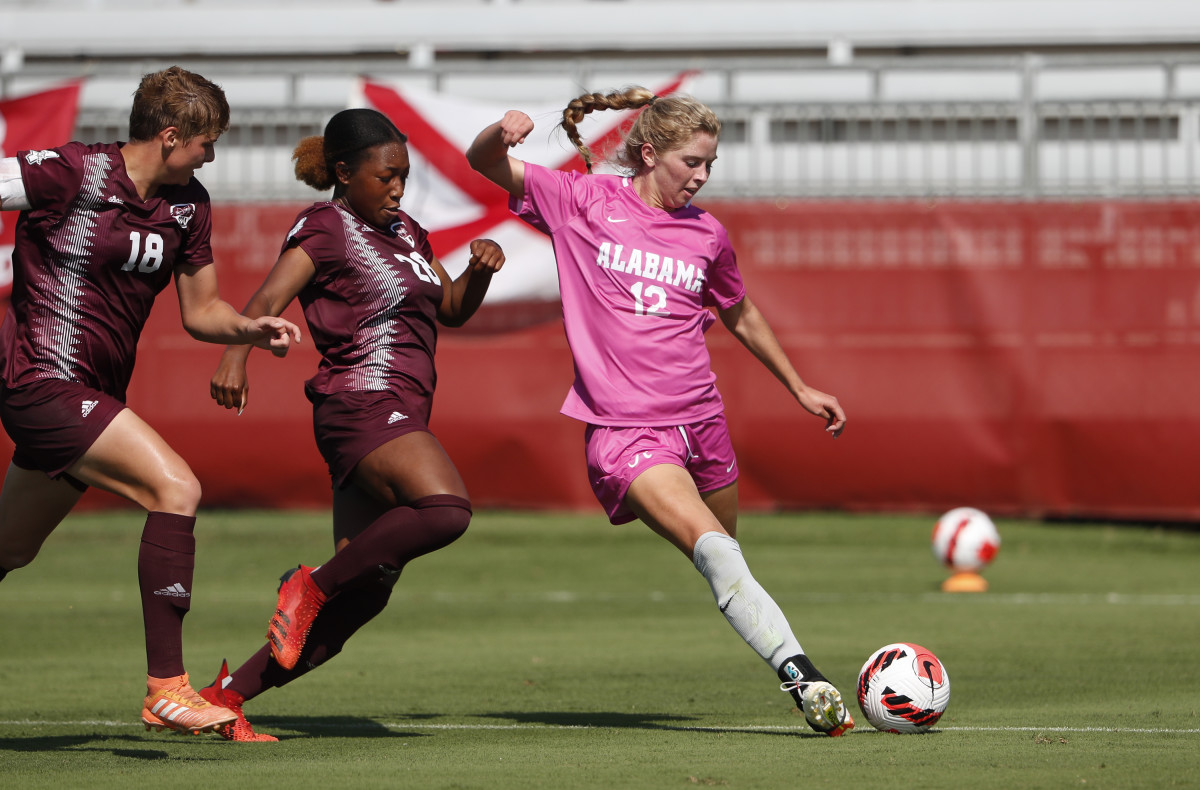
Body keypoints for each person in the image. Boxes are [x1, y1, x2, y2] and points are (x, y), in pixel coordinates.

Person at [465, 88, 854, 736]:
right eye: (691, 162)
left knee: (728, 554)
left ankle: (774, 643)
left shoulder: (707, 233)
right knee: (717, 555)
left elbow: (738, 310)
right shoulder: (581, 201)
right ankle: (804, 678)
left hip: (702, 420)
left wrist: (798, 387)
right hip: (626, 432)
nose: (701, 176)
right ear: (649, 154)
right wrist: (498, 134)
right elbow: (483, 163)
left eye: (710, 164)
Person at [0, 66, 301, 735]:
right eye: (205, 142)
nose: (211, 156)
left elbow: (202, 311)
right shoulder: (71, 173)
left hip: (94, 394)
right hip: (42, 383)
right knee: (176, 488)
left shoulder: (188, 203)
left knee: (9, 550)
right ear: (170, 136)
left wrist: (249, 329)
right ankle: (167, 688)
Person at [201, 108, 504, 742]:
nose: (399, 187)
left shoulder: (407, 231)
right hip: (362, 403)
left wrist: (477, 271)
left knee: (361, 597)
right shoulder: (327, 227)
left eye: (405, 175)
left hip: (397, 411)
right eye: (386, 176)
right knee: (447, 510)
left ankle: (224, 699)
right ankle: (307, 584)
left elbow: (450, 308)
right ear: (344, 172)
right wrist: (235, 357)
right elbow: (267, 300)